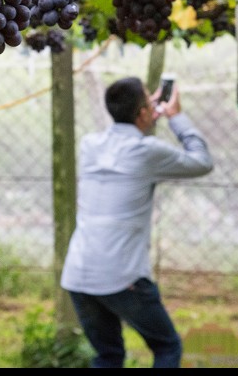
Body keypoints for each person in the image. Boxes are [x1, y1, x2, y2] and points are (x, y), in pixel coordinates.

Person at [60, 76, 214, 368]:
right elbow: (202, 162)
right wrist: (176, 117)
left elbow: (124, 136)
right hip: (122, 276)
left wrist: (143, 111)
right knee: (167, 347)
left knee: (108, 356)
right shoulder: (147, 152)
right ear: (144, 112)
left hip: (79, 274)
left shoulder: (90, 145)